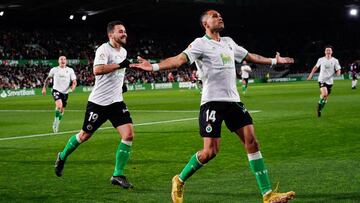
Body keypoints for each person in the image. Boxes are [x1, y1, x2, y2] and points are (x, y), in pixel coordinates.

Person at [131, 9, 295, 203]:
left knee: (252, 142)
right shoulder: (200, 43)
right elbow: (179, 60)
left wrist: (275, 60)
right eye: (214, 16)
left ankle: (267, 195)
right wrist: (155, 67)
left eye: (220, 15)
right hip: (212, 102)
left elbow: (251, 56)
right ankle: (179, 179)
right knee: (210, 152)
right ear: (205, 24)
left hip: (234, 101)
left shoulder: (229, 42)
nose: (220, 17)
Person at [54, 21, 135, 189]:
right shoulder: (103, 50)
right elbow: (97, 70)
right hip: (98, 103)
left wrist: (121, 85)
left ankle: (117, 174)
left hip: (116, 102)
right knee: (84, 135)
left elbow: (119, 73)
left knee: (128, 135)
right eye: (121, 31)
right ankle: (62, 156)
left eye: (125, 31)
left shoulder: (124, 51)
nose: (125, 34)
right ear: (111, 35)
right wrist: (120, 65)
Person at [42, 56, 77, 133]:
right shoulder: (54, 69)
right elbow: (48, 79)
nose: (63, 60)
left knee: (62, 111)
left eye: (64, 59)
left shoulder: (70, 70)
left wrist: (73, 87)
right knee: (59, 105)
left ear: (66, 61)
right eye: (61, 59)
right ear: (58, 61)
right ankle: (55, 121)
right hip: (56, 90)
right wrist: (44, 88)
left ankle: (58, 122)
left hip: (65, 92)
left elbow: (74, 81)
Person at [307, 45, 341, 117]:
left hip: (330, 81)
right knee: (325, 94)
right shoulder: (321, 59)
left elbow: (338, 69)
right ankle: (318, 107)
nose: (328, 51)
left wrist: (338, 72)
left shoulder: (335, 60)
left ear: (332, 52)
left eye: (329, 50)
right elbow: (315, 67)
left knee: (325, 98)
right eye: (327, 50)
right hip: (322, 79)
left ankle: (319, 108)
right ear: (325, 52)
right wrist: (311, 75)